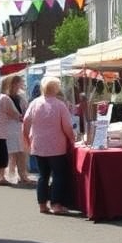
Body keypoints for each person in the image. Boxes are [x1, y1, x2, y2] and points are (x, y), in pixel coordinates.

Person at [23, 76, 75, 215]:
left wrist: (27, 139)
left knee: (42, 176)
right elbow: (67, 127)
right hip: (56, 146)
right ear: (56, 88)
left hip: (39, 145)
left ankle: (42, 204)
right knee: (58, 175)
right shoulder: (60, 105)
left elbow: (26, 123)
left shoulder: (34, 103)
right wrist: (72, 139)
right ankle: (56, 204)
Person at [0, 75, 31, 185]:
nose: (20, 85)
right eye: (18, 83)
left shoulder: (20, 97)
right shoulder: (3, 97)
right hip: (7, 127)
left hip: (18, 127)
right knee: (9, 153)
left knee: (21, 152)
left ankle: (22, 175)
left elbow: (25, 110)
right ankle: (5, 175)